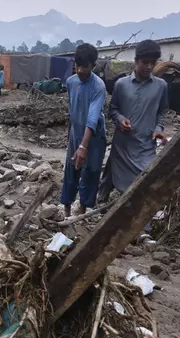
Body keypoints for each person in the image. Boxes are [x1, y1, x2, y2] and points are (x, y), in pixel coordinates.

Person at [106, 39, 169, 240]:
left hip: (146, 147)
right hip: (123, 146)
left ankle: (143, 229)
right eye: (144, 62)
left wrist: (159, 129)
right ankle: (123, 227)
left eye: (152, 62)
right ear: (136, 61)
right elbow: (112, 110)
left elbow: (163, 111)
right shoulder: (121, 84)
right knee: (124, 187)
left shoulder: (161, 86)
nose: (148, 67)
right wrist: (121, 119)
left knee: (145, 184)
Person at [60, 43, 107, 217]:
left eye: (84, 67)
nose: (79, 70)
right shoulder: (71, 82)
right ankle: (66, 207)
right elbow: (72, 111)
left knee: (91, 170)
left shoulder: (98, 86)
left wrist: (83, 146)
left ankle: (82, 210)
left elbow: (92, 118)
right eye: (77, 66)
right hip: (75, 133)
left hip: (94, 136)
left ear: (93, 66)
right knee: (71, 169)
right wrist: (71, 139)